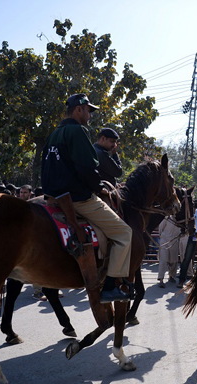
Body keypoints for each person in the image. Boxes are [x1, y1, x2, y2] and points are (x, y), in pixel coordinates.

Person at [41, 93, 133, 303]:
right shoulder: (78, 131)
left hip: (53, 197)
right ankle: (110, 287)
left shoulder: (54, 134)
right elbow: (87, 168)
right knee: (124, 233)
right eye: (88, 110)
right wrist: (98, 187)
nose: (90, 115)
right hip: (79, 199)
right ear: (79, 109)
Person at [156, 216, 181, 288]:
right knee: (163, 260)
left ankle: (171, 276)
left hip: (175, 240)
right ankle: (161, 278)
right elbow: (160, 229)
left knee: (174, 260)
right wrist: (163, 238)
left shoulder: (180, 219)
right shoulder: (166, 218)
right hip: (164, 240)